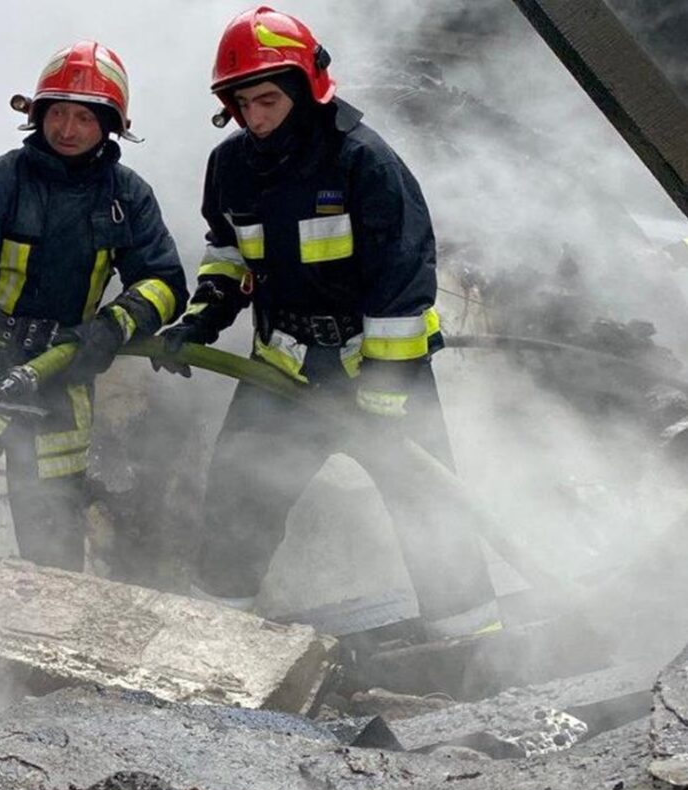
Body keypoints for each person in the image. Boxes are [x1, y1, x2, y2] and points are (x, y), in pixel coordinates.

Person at [157, 7, 499, 639]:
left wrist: (386, 383)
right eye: (241, 103)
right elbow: (230, 251)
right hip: (283, 365)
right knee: (238, 495)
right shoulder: (231, 165)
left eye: (267, 100)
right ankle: (211, 640)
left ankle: (471, 643)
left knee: (427, 506)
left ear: (306, 88)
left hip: (376, 369)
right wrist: (201, 318)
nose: (254, 117)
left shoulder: (363, 161)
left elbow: (402, 277)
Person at [0, 41, 187, 573]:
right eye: (57, 113)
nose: (66, 129)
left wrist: (111, 328)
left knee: (53, 532)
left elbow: (164, 281)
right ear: (37, 115)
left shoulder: (126, 197)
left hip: (60, 371)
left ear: (109, 124)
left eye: (83, 116)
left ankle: (48, 647)